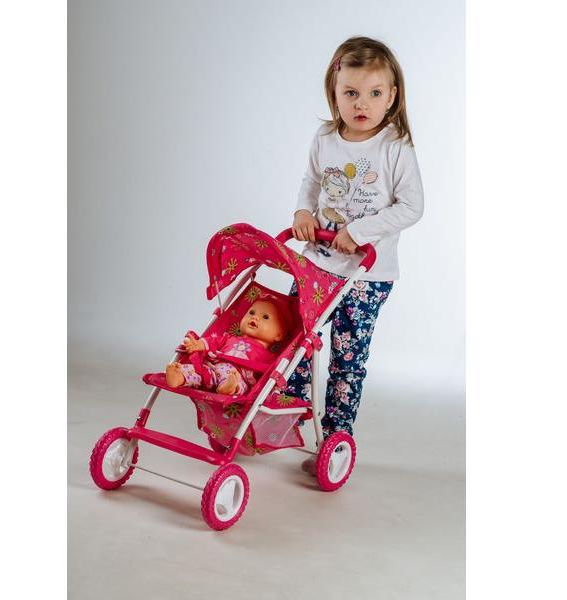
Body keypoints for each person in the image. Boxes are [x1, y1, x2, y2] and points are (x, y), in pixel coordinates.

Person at [287, 36, 424, 472]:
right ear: (334, 92)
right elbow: (312, 180)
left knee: (347, 356)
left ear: (392, 96)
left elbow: (412, 207)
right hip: (317, 262)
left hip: (366, 276)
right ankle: (289, 409)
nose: (361, 103)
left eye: (374, 93)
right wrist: (303, 211)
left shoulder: (395, 147)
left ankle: (336, 435)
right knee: (295, 337)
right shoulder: (326, 137)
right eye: (350, 93)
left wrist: (359, 231)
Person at [166, 299, 290, 395]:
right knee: (196, 370)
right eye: (252, 312)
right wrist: (198, 344)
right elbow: (213, 342)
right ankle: (178, 376)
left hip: (238, 376)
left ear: (278, 335)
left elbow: (269, 374)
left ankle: (229, 388)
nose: (255, 317)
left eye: (265, 317)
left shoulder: (269, 356)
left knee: (239, 386)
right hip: (213, 368)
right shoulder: (229, 338)